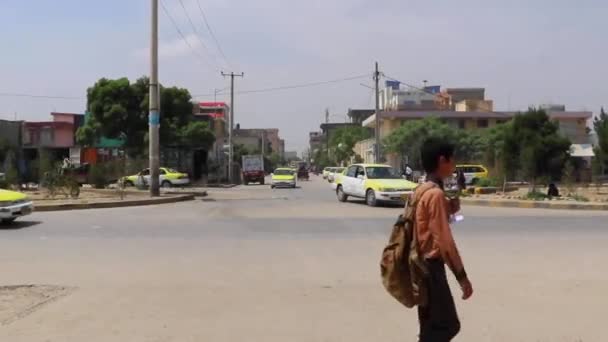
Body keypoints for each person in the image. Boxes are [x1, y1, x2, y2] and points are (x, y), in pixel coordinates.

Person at [414, 137, 473, 342]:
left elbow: (425, 224)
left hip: (419, 266)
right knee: (447, 325)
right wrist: (462, 277)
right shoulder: (435, 195)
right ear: (442, 161)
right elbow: (445, 242)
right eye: (452, 160)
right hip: (431, 269)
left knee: (430, 326)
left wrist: (450, 209)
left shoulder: (421, 190)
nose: (454, 164)